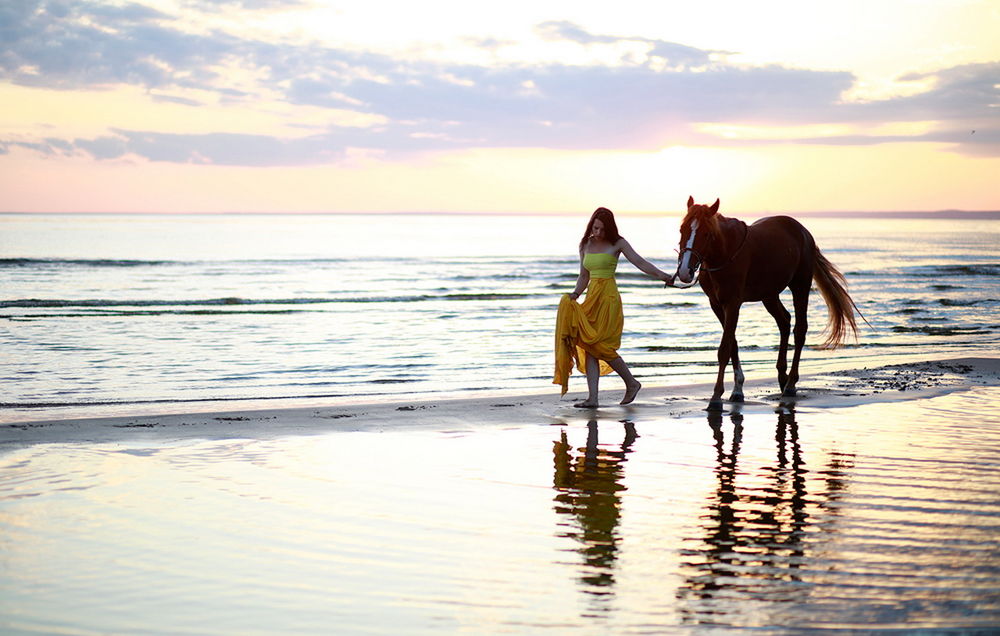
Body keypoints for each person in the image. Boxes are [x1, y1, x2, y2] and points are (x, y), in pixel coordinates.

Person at [553, 207, 674, 407]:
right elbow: (584, 276)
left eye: (601, 229)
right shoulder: (585, 243)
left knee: (602, 346)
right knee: (590, 344)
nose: (597, 232)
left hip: (608, 299)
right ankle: (593, 398)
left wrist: (664, 276)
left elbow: (640, 263)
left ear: (609, 228)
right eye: (595, 227)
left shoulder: (618, 243)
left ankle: (631, 383)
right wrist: (575, 294)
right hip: (591, 298)